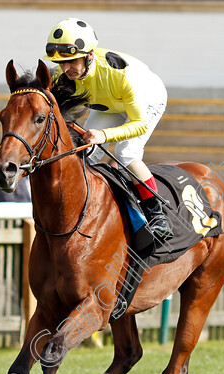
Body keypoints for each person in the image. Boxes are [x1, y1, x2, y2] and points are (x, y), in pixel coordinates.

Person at [44, 18, 173, 240]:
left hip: (146, 98)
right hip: (110, 104)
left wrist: (104, 135)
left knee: (126, 153)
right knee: (85, 153)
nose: (65, 69)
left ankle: (157, 214)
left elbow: (139, 123)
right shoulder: (61, 75)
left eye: (72, 62)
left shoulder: (119, 75)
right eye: (61, 63)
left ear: (89, 55)